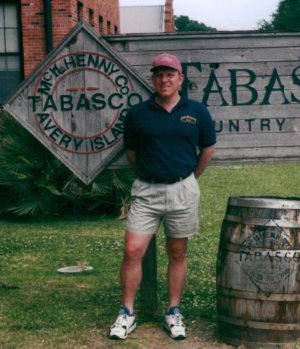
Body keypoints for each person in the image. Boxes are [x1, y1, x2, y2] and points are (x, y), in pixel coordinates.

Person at [109, 53, 216, 341]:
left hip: (183, 189)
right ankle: (127, 313)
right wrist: (152, 173)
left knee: (177, 252)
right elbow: (131, 153)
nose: (164, 79)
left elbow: (207, 150)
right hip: (146, 189)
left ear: (180, 78)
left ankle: (174, 311)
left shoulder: (198, 111)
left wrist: (190, 178)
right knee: (133, 250)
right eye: (158, 75)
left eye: (170, 74)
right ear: (153, 79)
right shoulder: (138, 114)